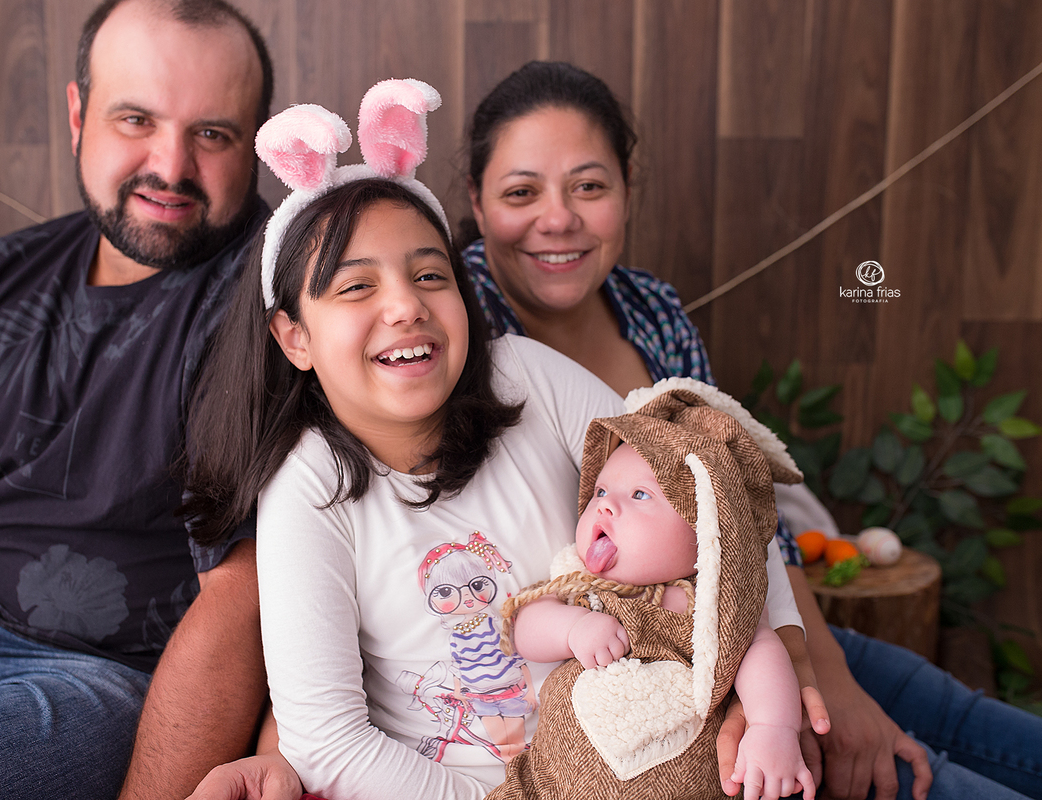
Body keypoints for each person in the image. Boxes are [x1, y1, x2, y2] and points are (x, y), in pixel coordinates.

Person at [182, 80, 809, 800]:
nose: (405, 305)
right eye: (356, 288)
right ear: (294, 337)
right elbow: (325, 739)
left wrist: (783, 679)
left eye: (428, 274)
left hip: (654, 762)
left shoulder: (525, 375)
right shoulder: (307, 487)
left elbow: (711, 490)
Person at [460, 59, 1042, 800]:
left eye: (589, 186)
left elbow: (743, 511)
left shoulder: (649, 311)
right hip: (647, 685)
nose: (559, 219)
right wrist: (756, 703)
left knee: (984, 728)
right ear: (477, 204)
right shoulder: (454, 334)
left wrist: (818, 675)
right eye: (521, 193)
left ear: (627, 184)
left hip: (760, 631)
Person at [0, 1, 274, 798]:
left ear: (257, 142)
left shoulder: (272, 303)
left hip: (101, 675)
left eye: (212, 134)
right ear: (79, 113)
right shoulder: (1, 277)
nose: (171, 165)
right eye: (136, 118)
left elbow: (245, 598)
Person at [492, 380, 815, 800]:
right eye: (601, 491)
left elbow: (762, 654)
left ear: (707, 531)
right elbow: (525, 628)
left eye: (641, 495)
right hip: (553, 784)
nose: (605, 505)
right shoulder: (580, 586)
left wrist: (774, 728)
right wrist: (572, 628)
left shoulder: (711, 605)